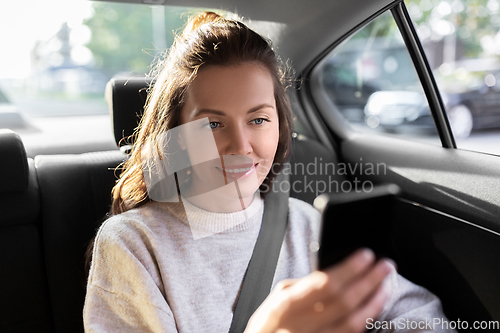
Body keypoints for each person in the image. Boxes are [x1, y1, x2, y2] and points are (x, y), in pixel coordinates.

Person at [83, 11, 454, 333]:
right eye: (213, 124)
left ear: (280, 128)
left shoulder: (308, 225)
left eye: (258, 119)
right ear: (176, 137)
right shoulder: (133, 245)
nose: (240, 145)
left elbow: (419, 314)